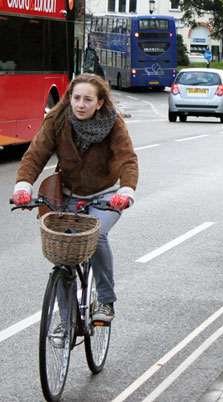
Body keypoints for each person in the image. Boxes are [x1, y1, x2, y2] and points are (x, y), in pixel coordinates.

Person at [12, 73, 138, 323]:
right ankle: (66, 322)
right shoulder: (57, 120)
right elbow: (35, 155)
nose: (80, 104)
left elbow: (127, 159)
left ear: (99, 103)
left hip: (106, 195)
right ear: (69, 98)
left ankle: (105, 301)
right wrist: (23, 186)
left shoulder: (113, 123)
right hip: (67, 195)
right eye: (76, 98)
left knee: (98, 233)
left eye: (87, 99)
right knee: (62, 259)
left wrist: (126, 191)